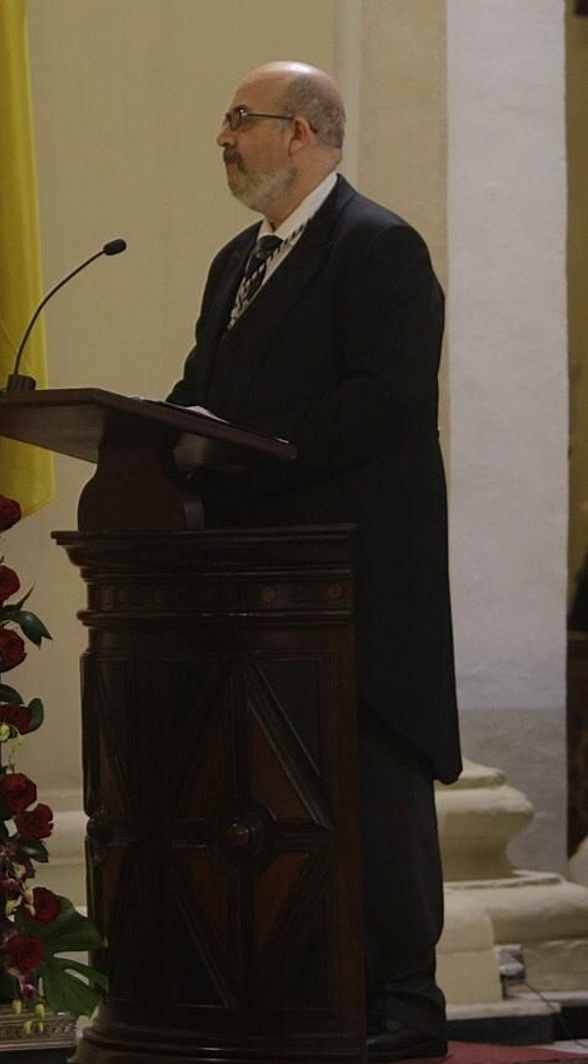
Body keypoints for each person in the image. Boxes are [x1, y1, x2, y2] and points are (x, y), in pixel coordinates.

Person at [166, 62, 458, 1063]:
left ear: (299, 135)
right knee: (275, 796)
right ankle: (295, 988)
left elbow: (382, 401)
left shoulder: (377, 249)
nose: (222, 136)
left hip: (358, 582)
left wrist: (246, 450)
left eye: (237, 119)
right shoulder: (232, 263)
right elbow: (196, 392)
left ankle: (402, 1006)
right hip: (256, 586)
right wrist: (152, 439)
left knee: (372, 791)